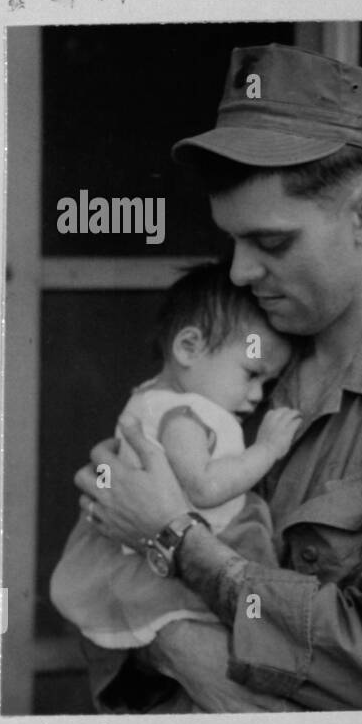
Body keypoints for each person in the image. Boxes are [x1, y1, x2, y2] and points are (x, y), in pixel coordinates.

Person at [72, 43, 362, 712]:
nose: (237, 273)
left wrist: (175, 547)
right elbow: (108, 550)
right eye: (230, 242)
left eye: (270, 244)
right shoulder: (245, 347)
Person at [50, 262, 299, 651]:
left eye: (266, 384)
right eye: (252, 374)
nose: (256, 396)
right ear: (188, 347)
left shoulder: (153, 398)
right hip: (187, 558)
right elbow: (204, 487)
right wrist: (266, 450)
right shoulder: (184, 416)